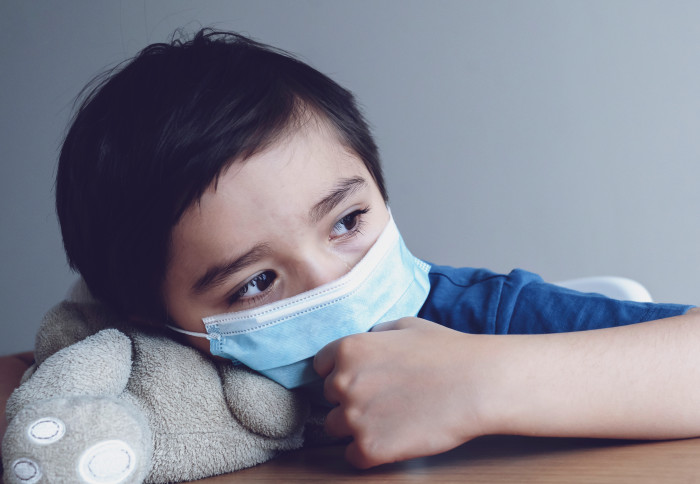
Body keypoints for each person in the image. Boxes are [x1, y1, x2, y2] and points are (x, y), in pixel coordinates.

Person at [8, 29, 700, 470]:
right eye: (255, 282)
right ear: (154, 318)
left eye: (345, 222)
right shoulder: (147, 374)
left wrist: (483, 384)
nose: (331, 282)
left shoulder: (482, 319)